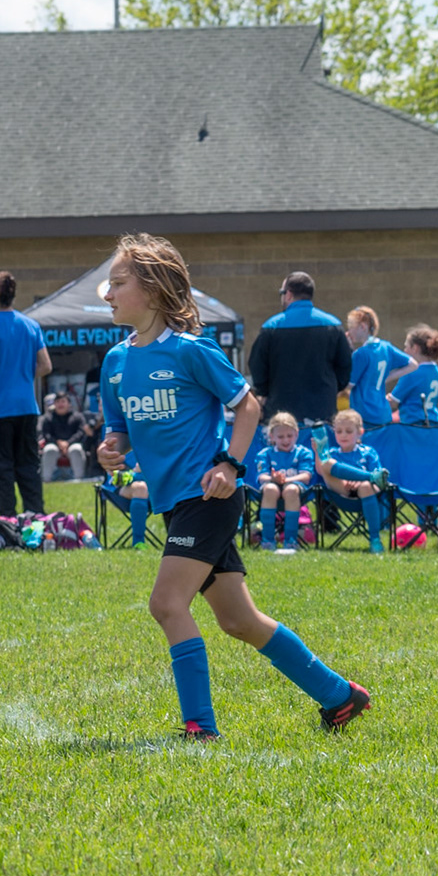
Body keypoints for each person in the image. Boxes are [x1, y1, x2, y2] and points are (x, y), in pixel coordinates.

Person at [95, 233, 370, 738]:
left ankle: (200, 728)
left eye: (117, 283)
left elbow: (248, 405)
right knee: (238, 621)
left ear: (154, 290)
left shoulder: (190, 351)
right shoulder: (115, 363)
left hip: (210, 497)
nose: (107, 294)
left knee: (166, 604)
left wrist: (229, 465)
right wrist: (111, 448)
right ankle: (340, 695)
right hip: (175, 504)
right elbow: (121, 432)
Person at [0, 271, 50, 515]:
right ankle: (35, 518)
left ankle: (8, 521)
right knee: (28, 465)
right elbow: (46, 366)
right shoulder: (31, 324)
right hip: (27, 407)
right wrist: (22, 374)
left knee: (0, 467)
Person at [249, 271, 352, 428]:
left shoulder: (272, 326)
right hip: (322, 410)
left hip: (281, 415)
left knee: (283, 451)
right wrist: (331, 389)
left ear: (288, 294)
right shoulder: (333, 324)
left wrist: (264, 391)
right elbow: (345, 365)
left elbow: (257, 364)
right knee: (321, 451)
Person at [314, 408, 390, 555]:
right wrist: (318, 451)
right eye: (339, 431)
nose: (343, 435)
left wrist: (361, 480)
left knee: (367, 485)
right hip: (341, 491)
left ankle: (375, 540)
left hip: (368, 492)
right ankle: (366, 477)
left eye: (349, 431)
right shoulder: (333, 454)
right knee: (327, 463)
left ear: (360, 432)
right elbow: (320, 470)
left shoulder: (368, 452)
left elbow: (379, 478)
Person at [253, 410, 315, 552]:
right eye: (280, 437)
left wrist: (286, 480)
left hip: (295, 489)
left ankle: (290, 540)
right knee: (270, 489)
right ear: (271, 436)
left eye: (289, 436)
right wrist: (273, 479)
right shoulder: (265, 454)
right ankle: (267, 540)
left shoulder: (303, 453)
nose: (286, 440)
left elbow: (305, 476)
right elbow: (262, 477)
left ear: (297, 434)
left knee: (291, 489)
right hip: (270, 488)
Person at [345, 306, 414, 430]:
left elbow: (347, 385)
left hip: (365, 415)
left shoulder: (361, 354)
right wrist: (386, 378)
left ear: (363, 326)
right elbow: (413, 364)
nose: (349, 331)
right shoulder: (385, 347)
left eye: (351, 326)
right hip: (383, 412)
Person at [388, 324, 438, 424]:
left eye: (406, 347)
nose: (404, 351)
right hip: (434, 424)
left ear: (415, 348)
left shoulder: (412, 372)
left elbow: (392, 402)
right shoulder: (435, 370)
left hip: (415, 426)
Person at [38, 393, 89, 482]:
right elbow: (46, 434)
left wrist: (68, 443)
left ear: (69, 404)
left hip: (72, 444)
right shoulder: (48, 418)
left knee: (76, 449)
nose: (60, 404)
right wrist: (58, 443)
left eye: (63, 401)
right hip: (54, 445)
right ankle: (46, 480)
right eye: (57, 402)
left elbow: (81, 433)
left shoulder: (77, 417)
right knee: (49, 449)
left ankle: (79, 479)